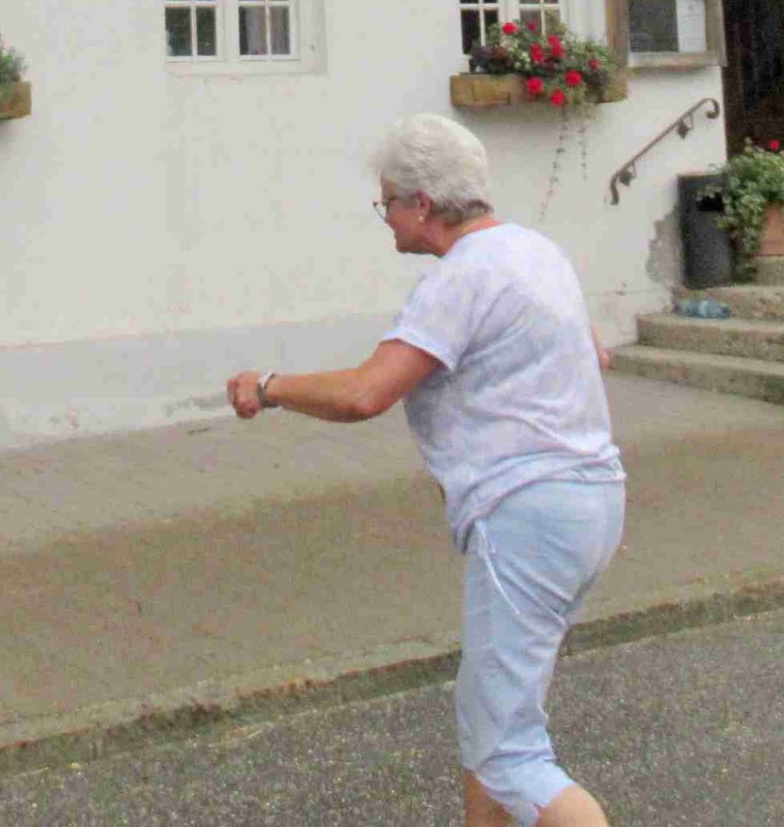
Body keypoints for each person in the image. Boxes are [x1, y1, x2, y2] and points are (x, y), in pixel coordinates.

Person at [226, 113, 625, 827]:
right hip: (592, 502)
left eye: (387, 202)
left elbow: (365, 393)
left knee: (510, 752)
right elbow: (595, 353)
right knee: (491, 718)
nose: (384, 217)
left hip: (526, 514)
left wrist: (269, 386)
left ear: (422, 203)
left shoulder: (461, 277)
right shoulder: (536, 251)